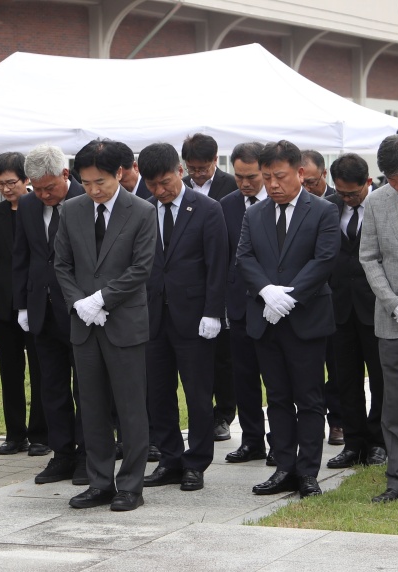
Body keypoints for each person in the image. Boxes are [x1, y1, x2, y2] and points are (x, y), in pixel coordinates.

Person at [54, 138, 156, 512]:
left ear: (120, 173)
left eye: (101, 182)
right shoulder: (71, 210)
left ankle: (131, 485)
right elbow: (61, 264)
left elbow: (141, 268)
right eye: (87, 183)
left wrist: (103, 299)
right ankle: (99, 482)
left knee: (130, 408)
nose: (94, 190)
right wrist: (79, 303)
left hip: (124, 324)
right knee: (92, 407)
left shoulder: (142, 211)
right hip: (84, 324)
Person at [237, 140, 339, 498]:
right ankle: (283, 466)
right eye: (267, 178)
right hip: (266, 317)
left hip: (306, 319)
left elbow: (324, 260)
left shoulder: (323, 211)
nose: (273, 185)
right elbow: (245, 258)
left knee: (309, 397)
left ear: (299, 172)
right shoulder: (254, 213)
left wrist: (289, 297)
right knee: (277, 396)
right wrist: (267, 292)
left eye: (279, 176)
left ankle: (308, 471)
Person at [138, 142, 228, 491]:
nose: (160, 191)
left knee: (197, 394)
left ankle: (197, 462)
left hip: (194, 318)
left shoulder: (207, 209)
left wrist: (213, 313)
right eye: (152, 185)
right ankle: (170, 459)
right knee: (158, 393)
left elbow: (217, 264)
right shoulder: (144, 210)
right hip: (152, 318)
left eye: (165, 182)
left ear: (180, 171)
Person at [14, 144, 87, 486]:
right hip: (41, 310)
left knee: (86, 388)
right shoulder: (28, 205)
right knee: (51, 387)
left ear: (66, 175)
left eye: (49, 188)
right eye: (36, 188)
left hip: (79, 310)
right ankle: (62, 455)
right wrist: (23, 305)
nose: (42, 194)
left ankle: (89, 455)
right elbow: (23, 256)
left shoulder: (86, 203)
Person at [0, 152, 48, 457]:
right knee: (10, 371)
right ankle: (15, 434)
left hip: (35, 303)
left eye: (11, 183)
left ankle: (41, 435)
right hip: (4, 304)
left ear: (26, 180)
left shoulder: (40, 208)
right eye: (0, 184)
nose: (5, 189)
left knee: (41, 370)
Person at [325, 153, 387, 469]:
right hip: (338, 308)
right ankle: (354, 442)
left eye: (353, 193)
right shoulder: (330, 208)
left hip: (374, 306)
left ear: (367, 182)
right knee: (344, 379)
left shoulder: (381, 206)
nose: (348, 198)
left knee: (379, 379)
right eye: (342, 192)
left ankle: (379, 442)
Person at [359, 133, 398, 503]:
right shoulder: (378, 201)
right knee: (395, 406)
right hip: (393, 320)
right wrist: (394, 301)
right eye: (391, 179)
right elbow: (369, 257)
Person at [180, 132, 238, 442]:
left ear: (216, 161)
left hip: (223, 274)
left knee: (223, 354)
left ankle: (225, 413)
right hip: (190, 279)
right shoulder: (181, 189)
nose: (198, 174)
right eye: (192, 168)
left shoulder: (229, 187)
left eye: (203, 168)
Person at [220, 142, 269, 465]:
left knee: (278, 382)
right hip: (238, 307)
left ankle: (281, 441)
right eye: (238, 176)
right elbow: (222, 256)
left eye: (251, 177)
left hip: (274, 306)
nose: (245, 183)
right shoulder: (227, 205)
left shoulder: (280, 204)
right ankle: (251, 440)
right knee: (244, 378)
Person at [300, 150, 343, 445]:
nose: (306, 189)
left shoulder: (332, 205)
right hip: (302, 301)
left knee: (337, 367)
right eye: (301, 182)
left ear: (323, 175)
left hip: (337, 296)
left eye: (312, 182)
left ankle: (338, 422)